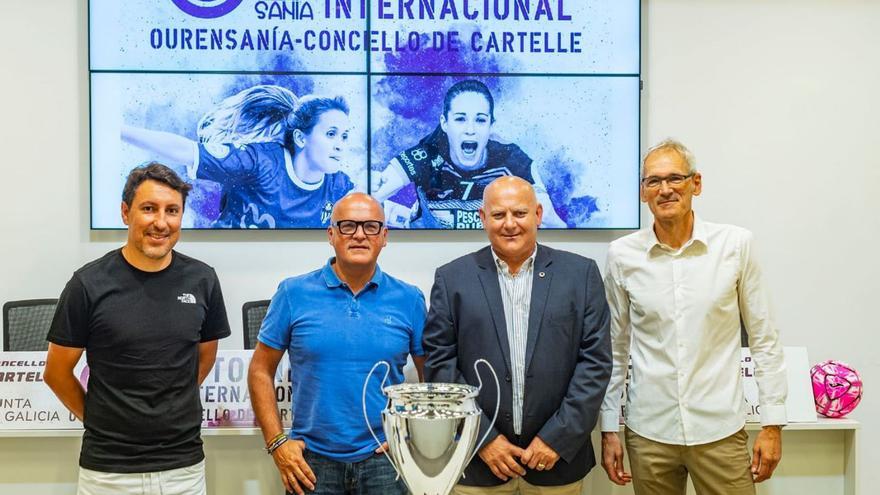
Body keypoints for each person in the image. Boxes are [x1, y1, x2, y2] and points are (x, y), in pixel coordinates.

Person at [600, 139, 787, 495]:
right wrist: (610, 427)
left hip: (720, 430)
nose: (665, 189)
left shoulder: (735, 245)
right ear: (643, 192)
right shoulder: (622, 255)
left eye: (675, 178)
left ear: (696, 184)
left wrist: (772, 423)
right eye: (653, 181)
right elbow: (615, 347)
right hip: (649, 432)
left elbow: (764, 337)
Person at [44, 163, 231, 495]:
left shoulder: (203, 280)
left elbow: (202, 359)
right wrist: (102, 419)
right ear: (125, 213)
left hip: (184, 469)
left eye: (172, 211)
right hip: (108, 472)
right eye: (149, 209)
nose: (161, 222)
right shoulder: (88, 285)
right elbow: (57, 373)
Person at [422, 176, 611, 494]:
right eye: (498, 215)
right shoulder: (452, 279)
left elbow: (595, 363)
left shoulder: (581, 275)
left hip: (557, 463)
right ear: (483, 218)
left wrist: (557, 438)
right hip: (478, 464)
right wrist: (483, 438)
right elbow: (440, 365)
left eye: (519, 213)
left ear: (538, 214)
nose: (510, 224)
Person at [247, 192, 427, 495]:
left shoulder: (410, 299)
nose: (359, 234)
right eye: (348, 226)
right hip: (312, 462)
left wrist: (415, 437)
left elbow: (431, 377)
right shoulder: (293, 293)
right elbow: (260, 371)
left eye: (370, 226)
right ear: (331, 234)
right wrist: (277, 443)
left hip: (387, 461)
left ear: (385, 236)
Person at [122, 85, 355, 228]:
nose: (339, 145)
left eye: (345, 137)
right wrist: (118, 131)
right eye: (331, 134)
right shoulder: (261, 163)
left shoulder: (340, 185)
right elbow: (186, 150)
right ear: (301, 138)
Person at [373, 79, 565, 229]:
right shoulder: (426, 155)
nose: (470, 129)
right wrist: (369, 186)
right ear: (444, 123)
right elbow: (368, 198)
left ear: (491, 126)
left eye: (480, 120)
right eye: (460, 119)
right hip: (427, 245)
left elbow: (553, 224)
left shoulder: (513, 161)